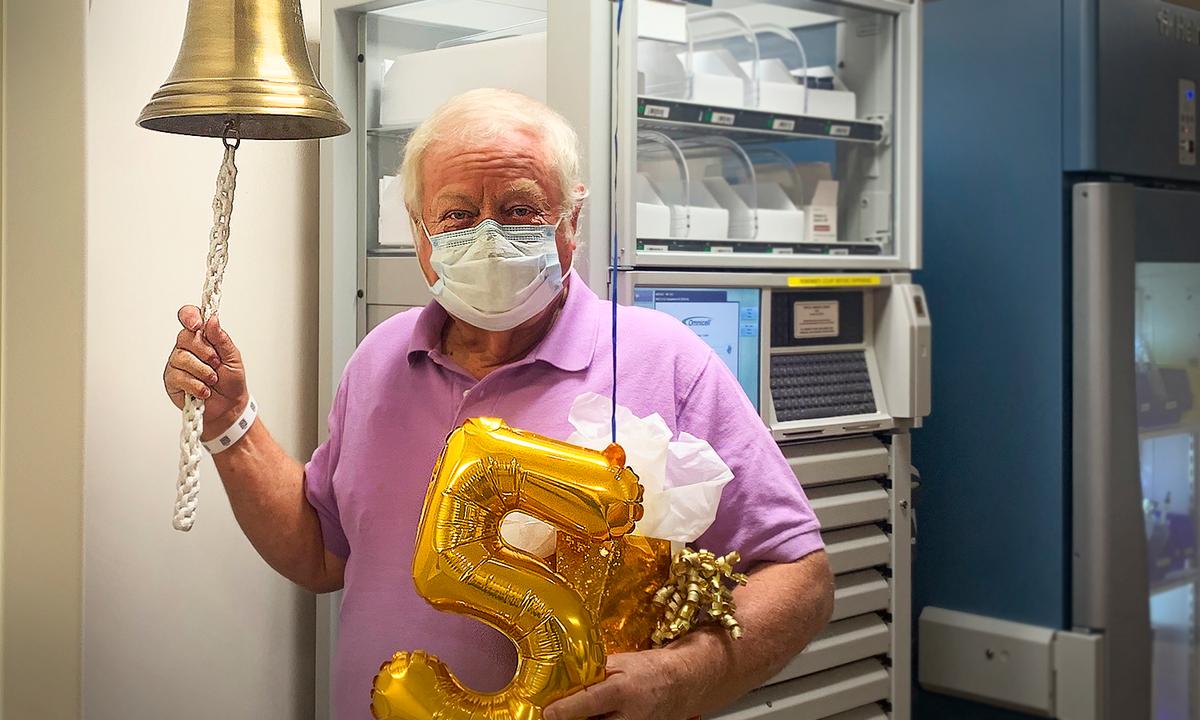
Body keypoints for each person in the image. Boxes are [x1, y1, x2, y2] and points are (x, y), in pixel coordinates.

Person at [163, 88, 833, 720]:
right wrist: (230, 424)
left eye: (518, 209)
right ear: (420, 235)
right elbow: (321, 556)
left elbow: (802, 577)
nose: (487, 237)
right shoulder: (380, 360)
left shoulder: (664, 360)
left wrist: (685, 677)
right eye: (456, 215)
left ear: (570, 222)